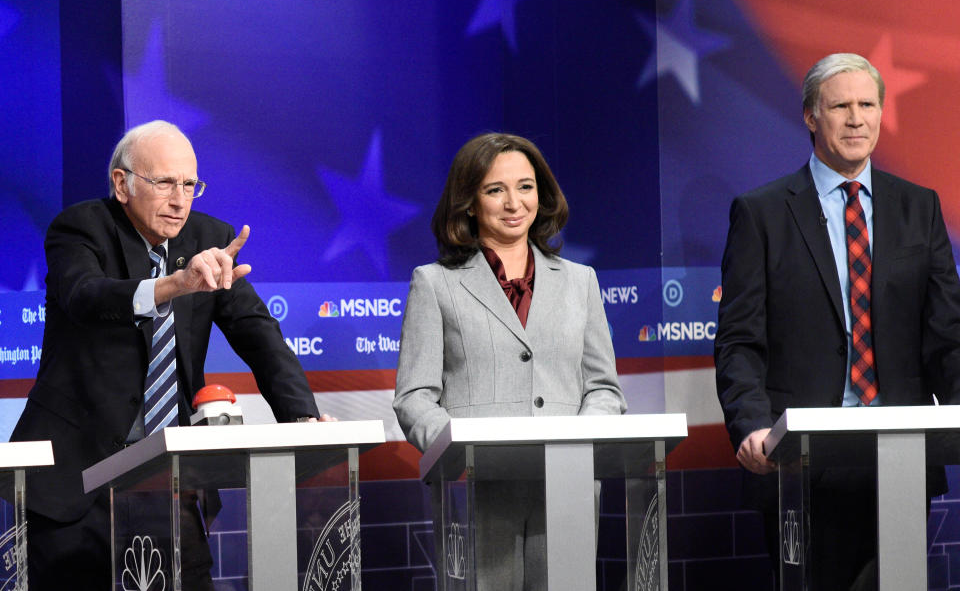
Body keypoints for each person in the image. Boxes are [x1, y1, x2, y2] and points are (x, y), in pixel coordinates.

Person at [11, 120, 331, 590]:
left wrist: (302, 418)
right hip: (77, 483)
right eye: (165, 183)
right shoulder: (79, 228)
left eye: (189, 184)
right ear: (122, 184)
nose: (180, 200)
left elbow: (258, 334)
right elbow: (86, 296)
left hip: (171, 481)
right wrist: (173, 287)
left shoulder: (210, 240)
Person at [714, 53, 960, 590]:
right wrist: (752, 425)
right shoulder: (762, 213)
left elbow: (948, 334)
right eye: (840, 106)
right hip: (799, 465)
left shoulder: (918, 206)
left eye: (867, 104)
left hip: (900, 452)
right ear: (810, 117)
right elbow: (738, 340)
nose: (856, 119)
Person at [393, 132, 626, 590]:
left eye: (525, 186)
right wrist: (459, 451)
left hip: (567, 484)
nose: (513, 202)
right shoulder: (435, 283)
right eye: (495, 190)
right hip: (475, 489)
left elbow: (603, 388)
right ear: (469, 202)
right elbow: (414, 398)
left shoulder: (581, 282)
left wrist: (578, 438)